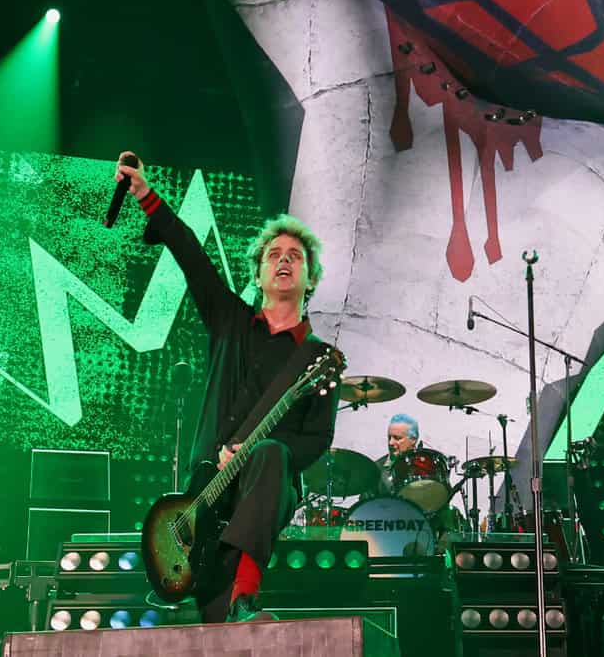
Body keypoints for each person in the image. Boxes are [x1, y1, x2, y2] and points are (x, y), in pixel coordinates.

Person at [120, 155, 338, 624]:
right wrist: (145, 195)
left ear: (311, 279)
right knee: (215, 628)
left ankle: (247, 591)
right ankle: (224, 601)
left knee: (271, 453)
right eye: (273, 255)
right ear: (258, 274)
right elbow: (192, 257)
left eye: (295, 256)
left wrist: (257, 451)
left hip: (267, 485)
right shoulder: (229, 320)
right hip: (206, 491)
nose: (283, 260)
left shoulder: (319, 359)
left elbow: (318, 438)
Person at [375, 413, 422, 496]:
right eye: (389, 438)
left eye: (397, 438)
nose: (390, 443)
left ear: (413, 439)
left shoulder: (426, 465)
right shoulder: (376, 469)